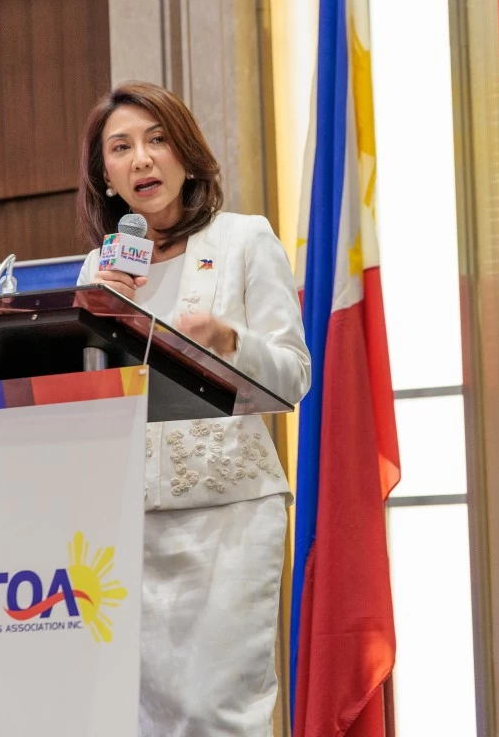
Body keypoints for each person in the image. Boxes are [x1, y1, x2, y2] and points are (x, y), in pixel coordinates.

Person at [75, 81, 311, 735]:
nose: (142, 159)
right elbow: (86, 395)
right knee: (142, 716)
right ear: (106, 176)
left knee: (217, 709)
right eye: (121, 148)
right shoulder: (98, 269)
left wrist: (231, 341)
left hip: (228, 518)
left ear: (186, 154)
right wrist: (108, 310)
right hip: (128, 524)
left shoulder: (244, 240)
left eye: (157, 140)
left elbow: (294, 376)